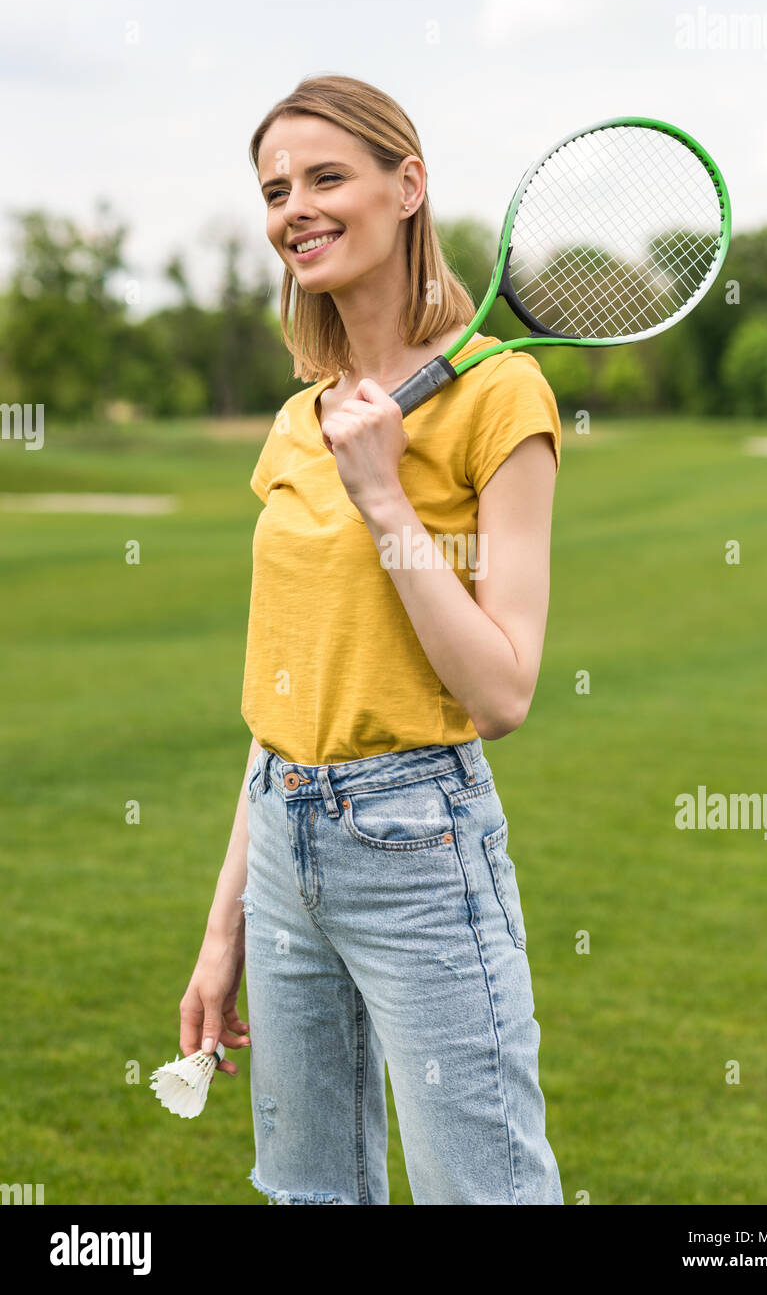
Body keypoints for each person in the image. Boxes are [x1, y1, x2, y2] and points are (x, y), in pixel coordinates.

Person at [179, 73, 564, 1205]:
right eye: (275, 188)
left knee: (480, 1192)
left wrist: (387, 500)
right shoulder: (303, 418)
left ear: (410, 187)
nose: (293, 206)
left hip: (419, 842)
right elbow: (280, 705)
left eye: (326, 176)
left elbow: (502, 689)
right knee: (306, 1195)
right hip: (283, 835)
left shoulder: (502, 396)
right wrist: (224, 933)